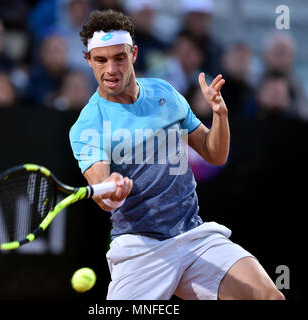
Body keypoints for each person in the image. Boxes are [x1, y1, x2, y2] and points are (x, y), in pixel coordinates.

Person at [69, 9, 285, 300]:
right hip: (141, 250)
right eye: (101, 60)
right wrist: (113, 192)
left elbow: (214, 154)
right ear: (88, 61)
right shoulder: (87, 125)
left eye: (119, 57)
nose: (111, 69)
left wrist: (220, 115)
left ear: (133, 53)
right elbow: (102, 193)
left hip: (193, 236)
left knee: (269, 296)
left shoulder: (165, 93)